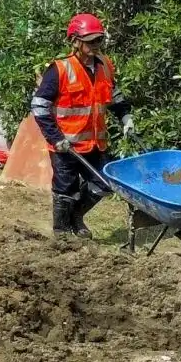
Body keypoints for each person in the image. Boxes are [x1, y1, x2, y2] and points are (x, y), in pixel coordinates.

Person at [31, 13, 134, 239]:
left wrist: (125, 116)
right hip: (65, 145)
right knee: (65, 189)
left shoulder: (105, 66)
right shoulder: (59, 69)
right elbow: (39, 107)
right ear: (75, 41)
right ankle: (61, 232)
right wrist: (55, 137)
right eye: (91, 40)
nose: (96, 44)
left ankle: (76, 217)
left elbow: (114, 95)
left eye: (99, 40)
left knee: (104, 183)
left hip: (95, 142)